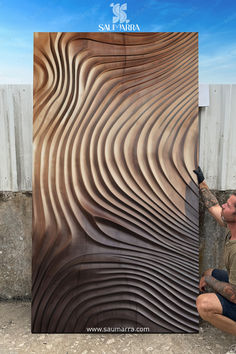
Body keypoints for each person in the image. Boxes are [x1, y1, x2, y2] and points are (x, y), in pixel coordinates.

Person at [194, 166, 236, 336]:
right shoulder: (231, 226)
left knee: (203, 304)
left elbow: (234, 295)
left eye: (229, 205)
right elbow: (214, 207)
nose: (223, 205)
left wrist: (208, 280)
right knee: (210, 271)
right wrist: (201, 182)